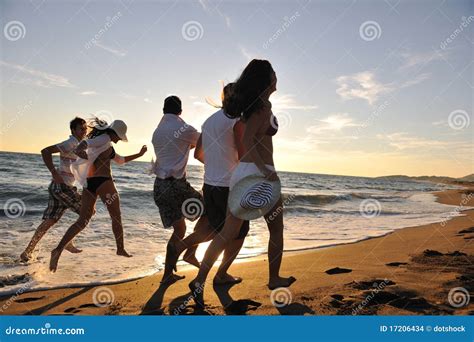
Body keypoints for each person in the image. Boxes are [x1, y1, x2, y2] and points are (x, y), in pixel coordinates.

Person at [189, 60, 296, 306]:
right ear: (267, 79)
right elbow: (248, 138)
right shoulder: (262, 107)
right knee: (276, 229)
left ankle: (200, 279)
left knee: (228, 233)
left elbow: (248, 135)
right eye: (274, 73)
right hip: (259, 174)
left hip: (241, 173)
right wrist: (266, 173)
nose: (277, 76)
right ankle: (274, 278)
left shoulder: (248, 107)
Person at [168, 84, 250, 285]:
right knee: (240, 231)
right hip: (228, 186)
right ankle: (221, 274)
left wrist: (216, 164)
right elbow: (243, 156)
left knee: (215, 229)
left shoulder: (209, 121)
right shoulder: (237, 121)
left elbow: (197, 154)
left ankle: (181, 246)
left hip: (210, 184)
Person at [49, 119, 147, 272]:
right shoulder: (105, 139)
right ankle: (120, 248)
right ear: (113, 133)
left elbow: (120, 160)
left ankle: (58, 250)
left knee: (83, 220)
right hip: (103, 181)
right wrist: (79, 150)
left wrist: (139, 154)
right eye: (119, 137)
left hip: (90, 184)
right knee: (116, 216)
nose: (119, 140)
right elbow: (85, 144)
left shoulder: (106, 145)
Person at [152, 96, 213, 283]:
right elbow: (203, 142)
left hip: (159, 186)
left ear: (164, 109)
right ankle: (191, 253)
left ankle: (167, 275)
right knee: (209, 212)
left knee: (179, 230)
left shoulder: (158, 131)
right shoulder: (183, 128)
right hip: (176, 185)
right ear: (180, 110)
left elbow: (179, 146)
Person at [20, 117, 87, 262]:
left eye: (85, 128)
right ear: (73, 130)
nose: (84, 131)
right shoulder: (70, 143)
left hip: (60, 187)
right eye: (81, 128)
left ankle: (27, 252)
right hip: (62, 187)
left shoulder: (80, 144)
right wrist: (54, 172)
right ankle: (67, 242)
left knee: (50, 221)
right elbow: (45, 151)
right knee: (87, 211)